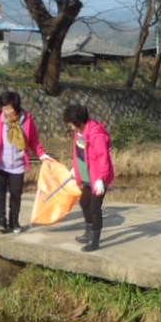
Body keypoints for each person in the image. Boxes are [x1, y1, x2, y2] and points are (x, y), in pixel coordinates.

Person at [0, 91, 51, 234]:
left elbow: (33, 141)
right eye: (4, 108)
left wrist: (42, 154)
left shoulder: (26, 120)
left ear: (16, 107)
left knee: (16, 195)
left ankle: (14, 222)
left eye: (9, 108)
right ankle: (1, 222)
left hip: (17, 165)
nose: (6, 112)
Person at [63, 103, 115, 252]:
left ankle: (95, 240)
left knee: (94, 208)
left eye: (71, 123)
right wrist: (76, 169)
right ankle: (88, 231)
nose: (70, 127)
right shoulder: (79, 133)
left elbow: (103, 157)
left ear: (78, 121)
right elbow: (79, 154)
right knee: (84, 203)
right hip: (86, 176)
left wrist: (101, 179)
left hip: (98, 177)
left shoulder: (96, 134)